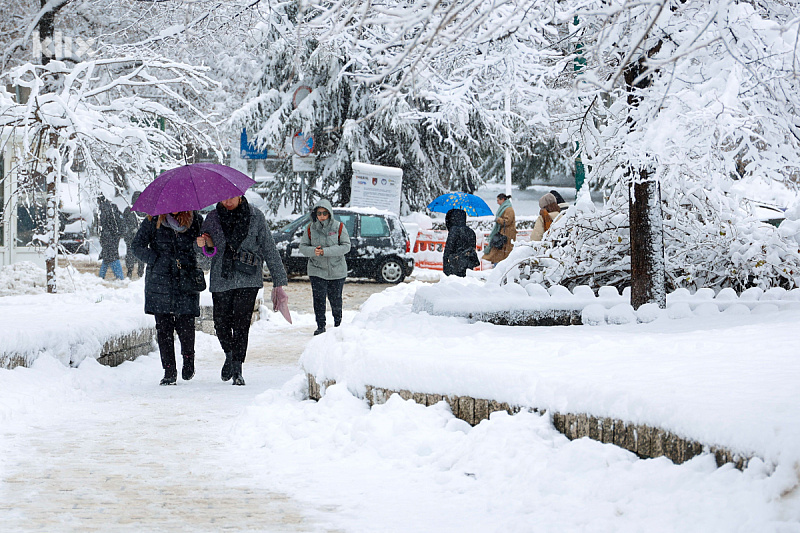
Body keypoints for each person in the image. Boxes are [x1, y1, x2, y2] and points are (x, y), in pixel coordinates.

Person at [197, 195, 288, 386]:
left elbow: (269, 248)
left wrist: (279, 279)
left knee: (241, 324)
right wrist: (206, 246)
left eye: (232, 198)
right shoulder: (212, 218)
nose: (227, 202)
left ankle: (237, 368)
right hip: (222, 276)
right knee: (220, 322)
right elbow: (205, 257)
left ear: (240, 196)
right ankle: (229, 355)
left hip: (248, 276)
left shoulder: (256, 216)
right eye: (222, 199)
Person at [131, 210, 204, 385]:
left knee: (186, 325)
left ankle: (188, 359)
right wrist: (155, 258)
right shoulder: (153, 220)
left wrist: (202, 245)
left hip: (185, 278)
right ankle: (169, 370)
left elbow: (205, 252)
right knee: (163, 328)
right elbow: (137, 246)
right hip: (160, 280)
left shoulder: (196, 220)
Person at [298, 199, 351, 336]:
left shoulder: (339, 227)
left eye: (324, 213)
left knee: (335, 299)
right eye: (318, 213)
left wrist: (326, 251)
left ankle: (338, 324)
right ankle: (320, 326)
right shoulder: (310, 228)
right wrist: (313, 251)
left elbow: (346, 246)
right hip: (316, 269)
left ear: (329, 213)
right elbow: (303, 247)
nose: (321, 216)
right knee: (319, 299)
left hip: (337, 270)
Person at [482, 193, 516, 265]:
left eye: (498, 200)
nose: (497, 202)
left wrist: (498, 220)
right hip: (504, 234)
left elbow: (507, 221)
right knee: (500, 253)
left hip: (506, 234)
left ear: (502, 199)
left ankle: (499, 266)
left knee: (500, 252)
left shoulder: (508, 209)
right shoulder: (506, 208)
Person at [442, 208, 478, 277]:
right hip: (467, 267)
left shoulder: (454, 231)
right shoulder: (471, 232)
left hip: (454, 266)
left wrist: (446, 267)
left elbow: (448, 250)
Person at [97, 196, 124, 280]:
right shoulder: (113, 208)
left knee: (111, 257)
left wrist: (103, 237)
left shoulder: (103, 210)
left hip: (107, 237)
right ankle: (102, 276)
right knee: (110, 256)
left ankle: (119, 277)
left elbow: (103, 224)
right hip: (114, 236)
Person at [122, 191, 145, 278]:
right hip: (140, 236)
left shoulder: (128, 209)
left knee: (130, 253)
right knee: (140, 254)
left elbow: (124, 222)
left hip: (130, 237)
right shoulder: (144, 209)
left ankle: (130, 271)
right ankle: (140, 272)